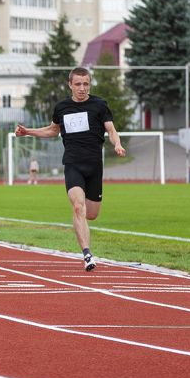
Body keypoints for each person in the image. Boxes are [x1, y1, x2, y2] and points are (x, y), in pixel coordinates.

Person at [15, 67, 126, 271]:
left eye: (86, 84)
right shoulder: (62, 107)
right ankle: (87, 255)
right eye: (78, 84)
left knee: (91, 214)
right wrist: (28, 131)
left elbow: (111, 130)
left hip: (94, 166)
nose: (82, 88)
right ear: (70, 85)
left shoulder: (99, 105)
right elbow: (52, 130)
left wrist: (116, 144)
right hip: (73, 164)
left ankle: (84, 237)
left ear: (89, 84)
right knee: (77, 206)